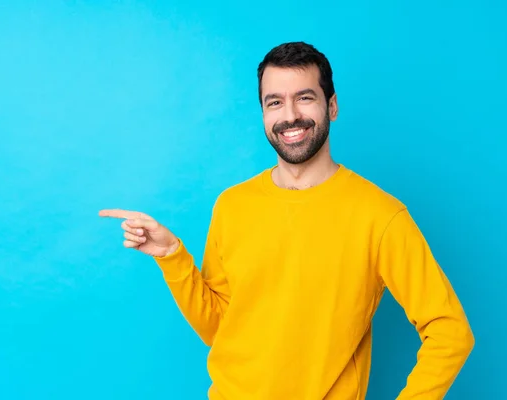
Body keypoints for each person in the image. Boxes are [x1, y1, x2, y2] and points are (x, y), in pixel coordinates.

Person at [99, 41, 474, 399]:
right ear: (263, 112)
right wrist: (172, 257)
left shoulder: (380, 215)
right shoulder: (232, 205)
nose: (290, 115)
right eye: (275, 102)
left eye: (305, 98)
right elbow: (221, 329)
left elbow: (450, 331)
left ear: (332, 106)